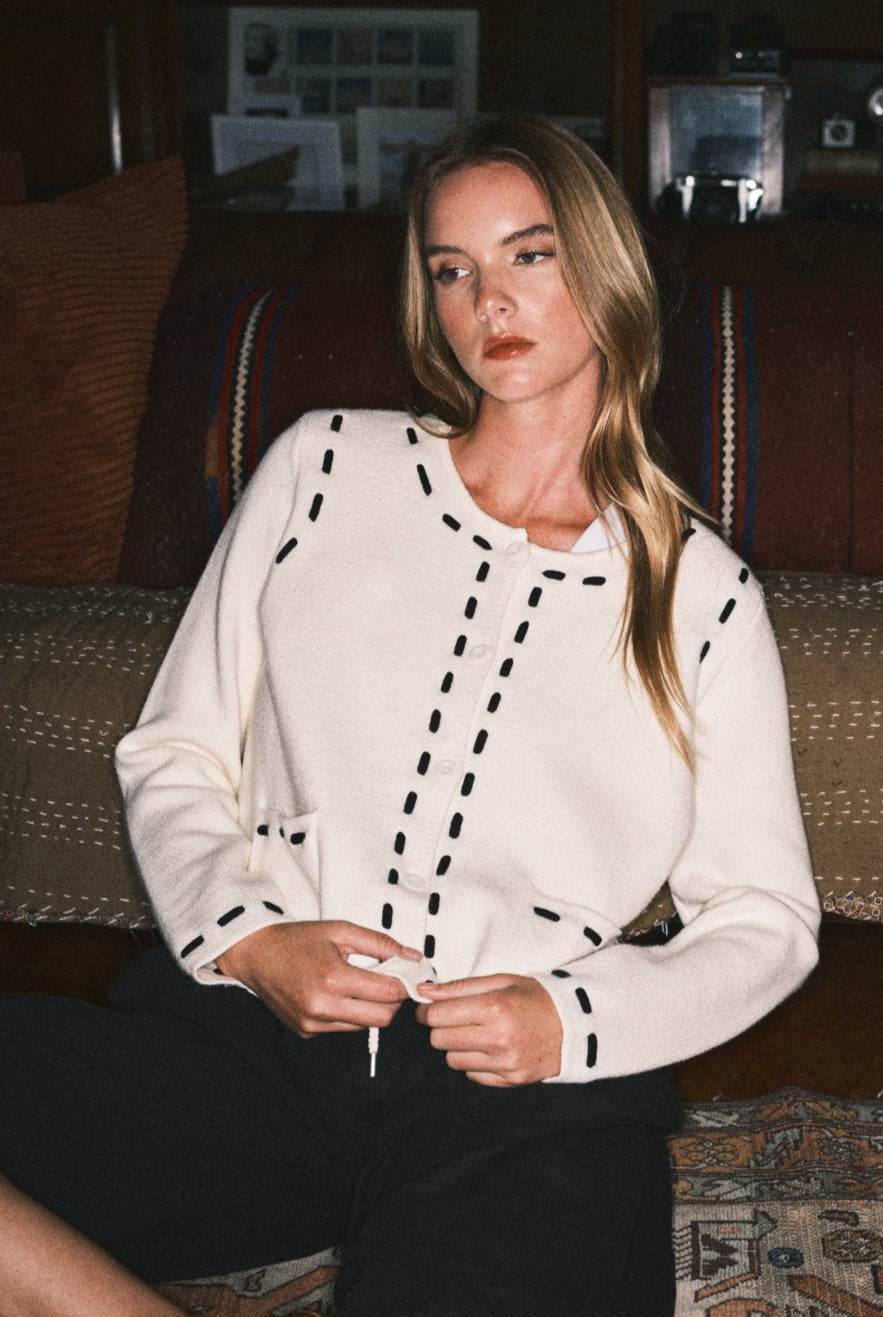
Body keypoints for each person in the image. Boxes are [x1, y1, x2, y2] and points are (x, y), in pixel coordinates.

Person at [0, 115, 820, 1317]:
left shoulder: (703, 598)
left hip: (519, 1092)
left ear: (603, 266)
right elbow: (175, 748)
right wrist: (247, 937)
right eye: (452, 269)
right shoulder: (324, 466)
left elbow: (765, 917)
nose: (488, 297)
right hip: (247, 1041)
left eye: (529, 255)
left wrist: (570, 1021)